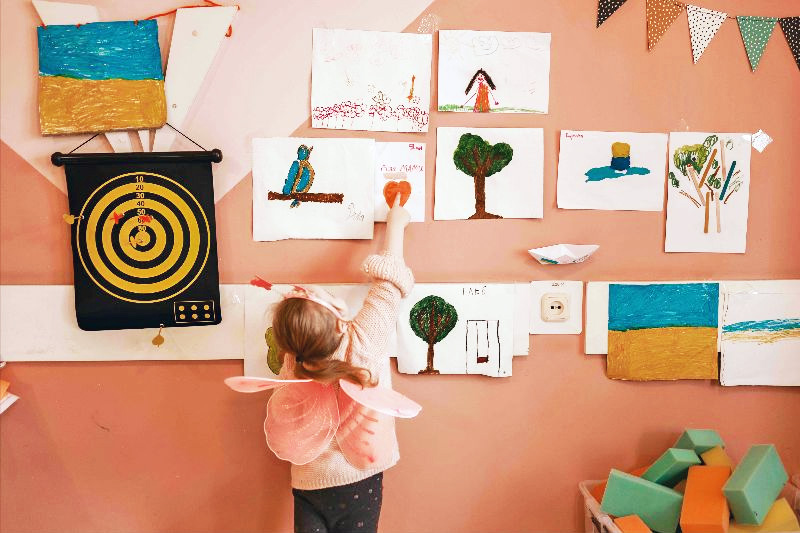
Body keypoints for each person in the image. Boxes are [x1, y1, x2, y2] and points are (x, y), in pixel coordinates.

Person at [271, 194, 413, 533]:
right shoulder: (363, 343)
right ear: (338, 323)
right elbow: (388, 287)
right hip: (359, 478)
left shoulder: (293, 363)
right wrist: (396, 224)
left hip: (308, 482)